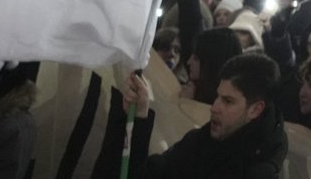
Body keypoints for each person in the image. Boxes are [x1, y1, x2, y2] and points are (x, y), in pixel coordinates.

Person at [93, 53, 287, 179]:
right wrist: (139, 118)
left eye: (228, 101)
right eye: (217, 96)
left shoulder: (260, 171)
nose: (214, 108)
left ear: (255, 109)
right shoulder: (201, 142)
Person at [183, 27, 244, 104]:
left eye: (196, 58)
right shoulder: (195, 89)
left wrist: (186, 102)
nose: (189, 62)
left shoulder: (223, 106)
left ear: (212, 64)